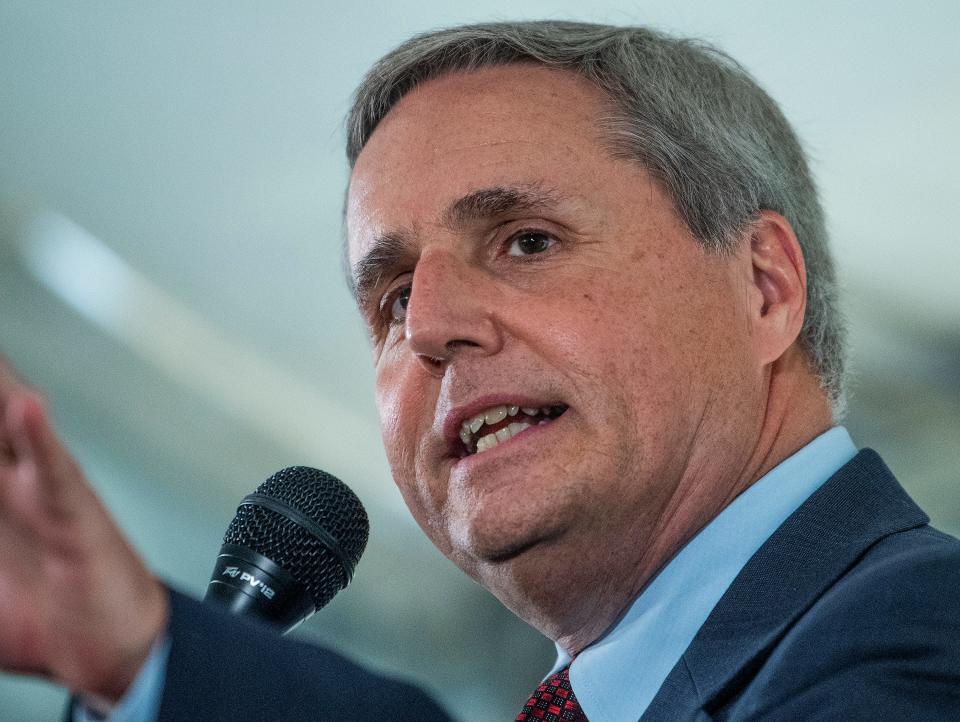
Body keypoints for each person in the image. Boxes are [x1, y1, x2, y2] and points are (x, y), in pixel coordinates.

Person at [1, 20, 958, 721]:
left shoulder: (923, 636)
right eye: (390, 300)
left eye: (527, 242)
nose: (431, 329)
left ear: (762, 289)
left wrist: (156, 658)